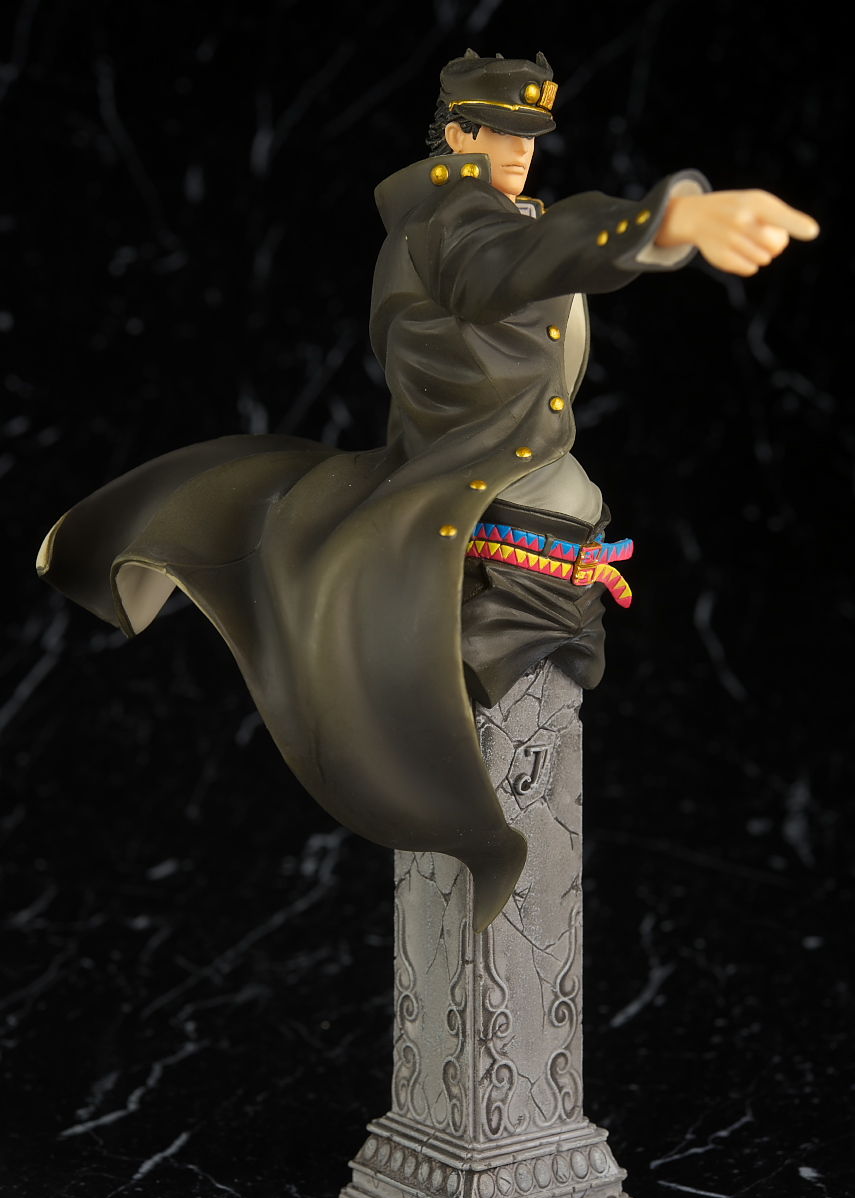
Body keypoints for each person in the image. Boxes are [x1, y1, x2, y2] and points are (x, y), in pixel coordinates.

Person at [37, 51, 818, 930]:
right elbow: (508, 262)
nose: (518, 151)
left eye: (530, 135)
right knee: (464, 734)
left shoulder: (498, 217)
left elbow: (534, 251)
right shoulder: (450, 223)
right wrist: (660, 222)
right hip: (492, 532)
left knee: (537, 746)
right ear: (456, 133)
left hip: (545, 531)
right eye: (497, 132)